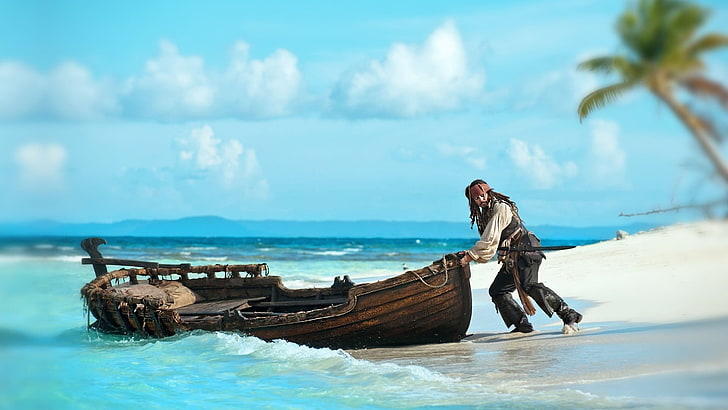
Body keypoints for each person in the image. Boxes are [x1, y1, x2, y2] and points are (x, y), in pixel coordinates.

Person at [459, 179, 582, 333]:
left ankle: (569, 315)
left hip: (527, 250)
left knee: (528, 285)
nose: (480, 200)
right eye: (476, 198)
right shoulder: (485, 215)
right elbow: (491, 240)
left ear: (488, 192)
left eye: (482, 195)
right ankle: (522, 325)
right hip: (513, 258)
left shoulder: (500, 208)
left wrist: (471, 256)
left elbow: (489, 239)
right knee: (498, 291)